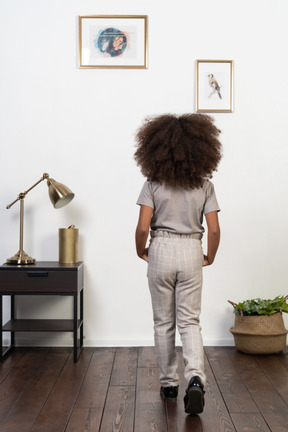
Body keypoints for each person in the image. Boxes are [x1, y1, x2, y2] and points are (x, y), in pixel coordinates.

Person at [134, 113, 222, 415]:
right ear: (201, 148)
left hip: (160, 249)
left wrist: (140, 250)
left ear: (156, 148)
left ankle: (169, 385)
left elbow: (143, 227)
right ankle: (195, 378)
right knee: (190, 321)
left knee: (163, 322)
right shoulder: (205, 186)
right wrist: (209, 255)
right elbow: (213, 229)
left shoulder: (153, 183)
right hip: (191, 251)